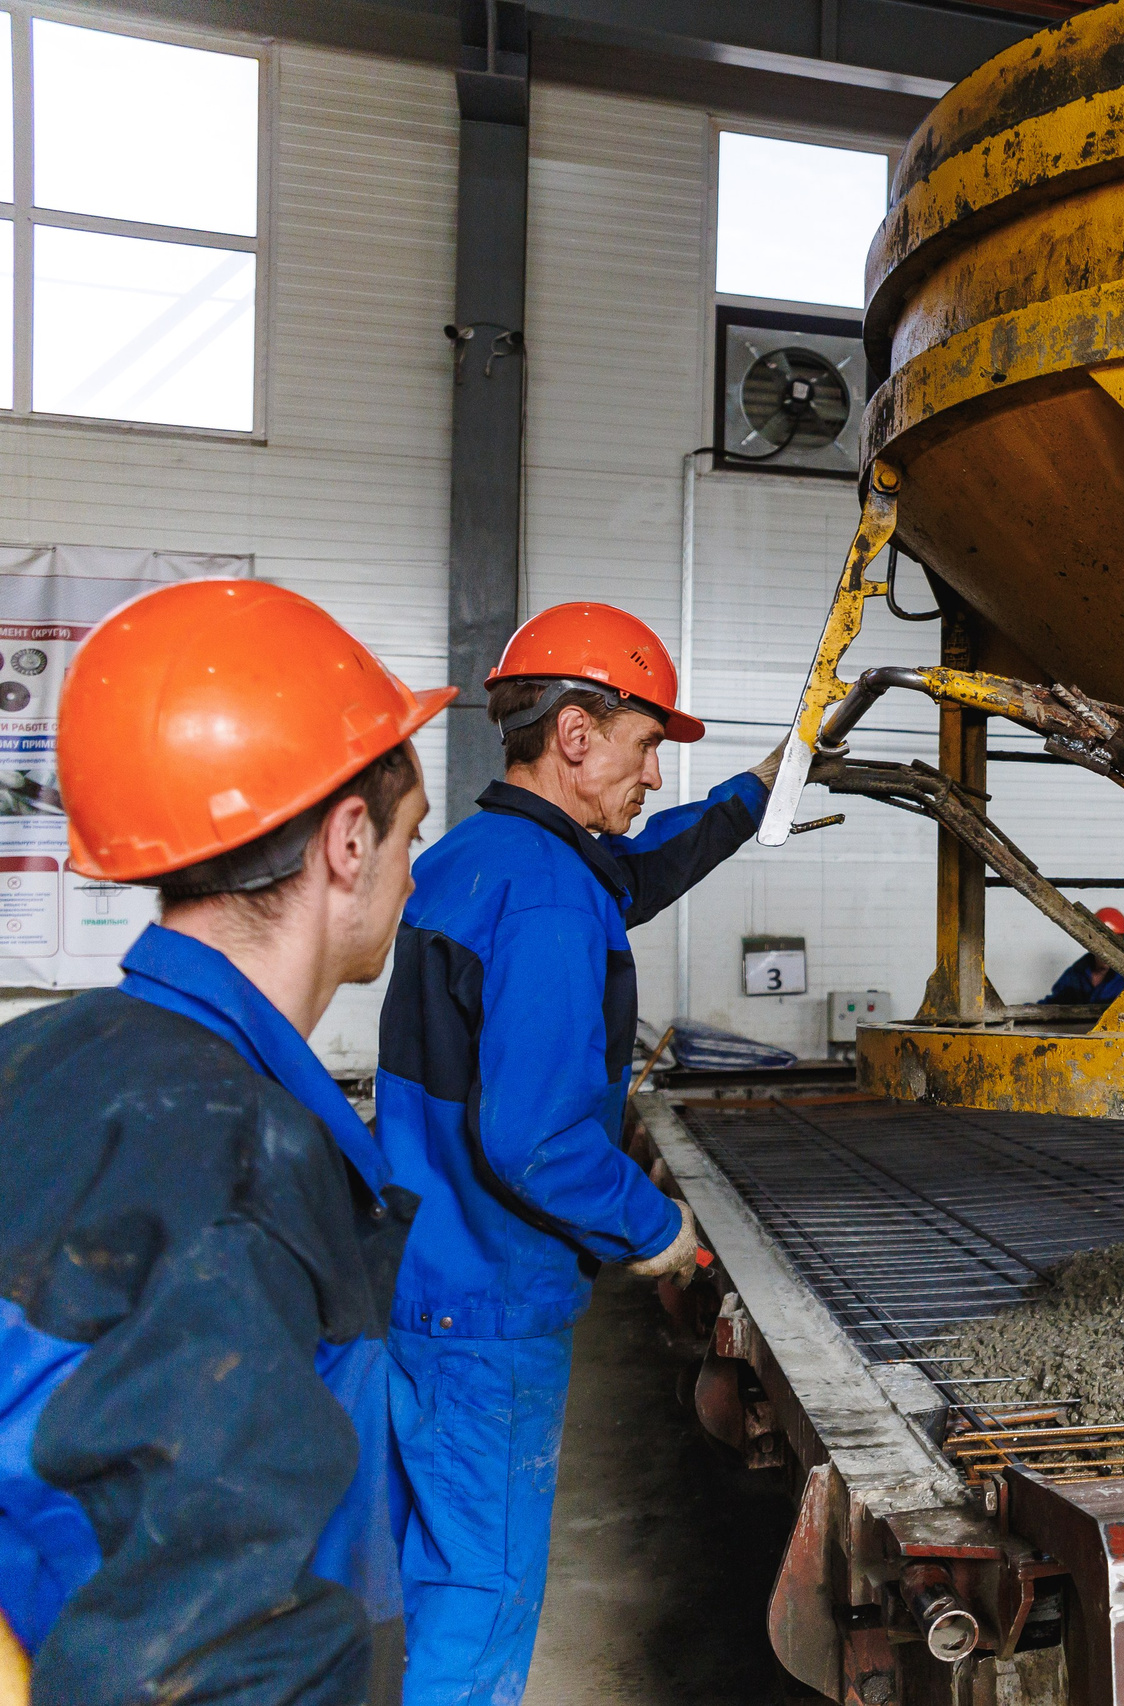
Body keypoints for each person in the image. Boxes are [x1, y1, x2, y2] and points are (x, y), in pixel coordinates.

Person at [0, 581, 449, 1703]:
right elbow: (213, 1648)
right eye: (410, 836)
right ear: (349, 841)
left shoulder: (45, 1052)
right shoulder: (240, 1160)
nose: (412, 875)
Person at [375, 602, 782, 1704]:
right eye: (647, 743)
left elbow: (635, 867)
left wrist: (754, 792)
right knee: (482, 1597)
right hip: (492, 1304)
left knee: (438, 1560)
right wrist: (658, 1229)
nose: (652, 773)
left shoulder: (480, 854)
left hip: (422, 1276)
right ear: (575, 735)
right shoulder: (553, 893)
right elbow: (540, 1137)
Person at [1039, 905, 1124, 1005]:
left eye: (1116, 943)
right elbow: (1053, 1004)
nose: (1109, 950)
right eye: (1104, 943)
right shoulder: (1075, 974)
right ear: (1092, 942)